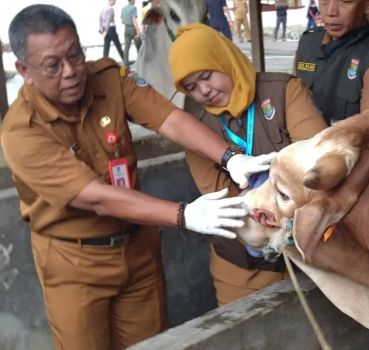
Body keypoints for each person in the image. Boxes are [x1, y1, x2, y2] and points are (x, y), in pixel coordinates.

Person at [2, 5, 274, 350]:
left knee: (151, 343)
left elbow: (169, 119)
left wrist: (230, 158)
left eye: (76, 55)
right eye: (53, 66)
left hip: (138, 248)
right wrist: (186, 214)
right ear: (24, 70)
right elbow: (98, 198)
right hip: (75, 263)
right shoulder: (21, 132)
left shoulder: (106, 78)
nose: (71, 72)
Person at [169, 23, 328, 305]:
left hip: (310, 257)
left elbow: (316, 162)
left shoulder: (283, 91)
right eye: (192, 87)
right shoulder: (193, 124)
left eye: (207, 75)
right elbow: (222, 197)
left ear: (225, 59)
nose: (204, 91)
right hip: (241, 270)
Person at [294, 0, 369, 125]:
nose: (331, 12)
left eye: (345, 2)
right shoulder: (307, 43)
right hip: (301, 141)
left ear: (368, 5)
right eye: (324, 0)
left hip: (344, 143)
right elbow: (291, 103)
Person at [121, 0, 142, 66]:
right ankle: (141, 61)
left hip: (126, 29)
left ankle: (126, 63)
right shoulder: (134, 8)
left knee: (127, 46)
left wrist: (126, 22)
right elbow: (134, 20)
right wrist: (138, 31)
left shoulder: (123, 8)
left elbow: (122, 20)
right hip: (133, 28)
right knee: (139, 46)